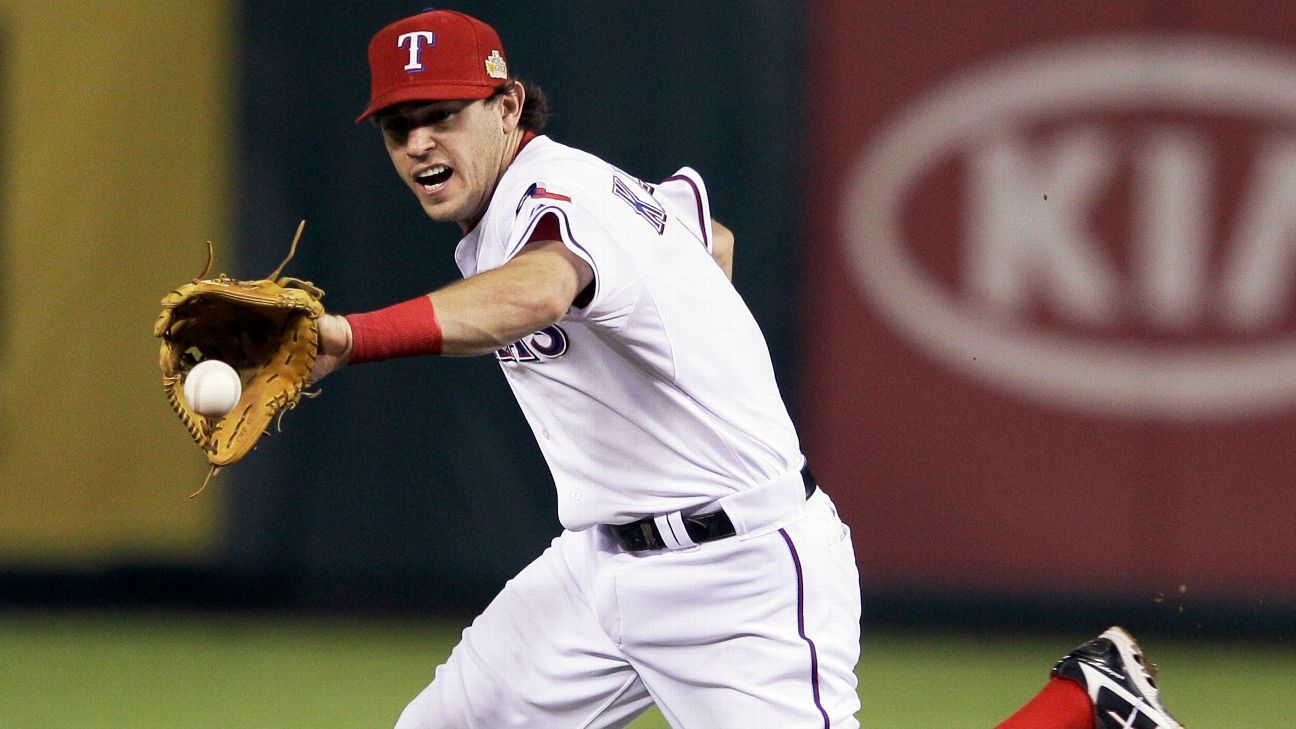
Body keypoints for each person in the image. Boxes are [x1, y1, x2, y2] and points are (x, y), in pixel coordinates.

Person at [308, 9, 1184, 729]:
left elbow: (535, 291)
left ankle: (1086, 702)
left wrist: (346, 336)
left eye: (442, 116)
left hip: (739, 574)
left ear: (505, 108)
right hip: (596, 570)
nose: (420, 143)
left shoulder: (553, 195)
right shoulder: (547, 203)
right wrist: (682, 313)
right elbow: (705, 234)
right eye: (399, 126)